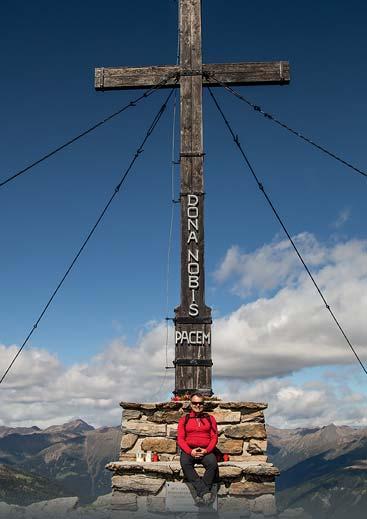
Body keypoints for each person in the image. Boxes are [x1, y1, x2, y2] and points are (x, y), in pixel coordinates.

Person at [177, 392, 218, 505]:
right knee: (185, 463)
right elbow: (180, 439)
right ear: (191, 404)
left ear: (203, 404)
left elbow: (214, 437)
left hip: (205, 450)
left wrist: (207, 450)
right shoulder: (184, 419)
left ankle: (200, 495)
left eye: (200, 403)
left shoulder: (210, 419)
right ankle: (204, 492)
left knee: (213, 464)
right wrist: (190, 451)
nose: (197, 405)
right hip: (189, 450)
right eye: (195, 403)